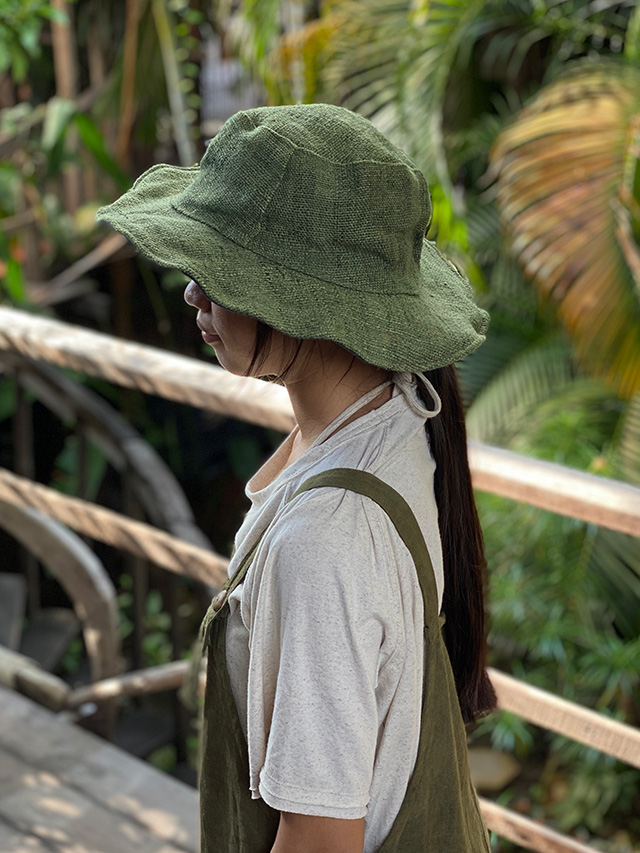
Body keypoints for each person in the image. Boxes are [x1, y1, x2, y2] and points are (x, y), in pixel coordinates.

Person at [97, 103, 497, 853]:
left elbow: (319, 839)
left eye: (217, 274)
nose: (192, 294)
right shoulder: (398, 409)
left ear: (303, 304)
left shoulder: (325, 542)